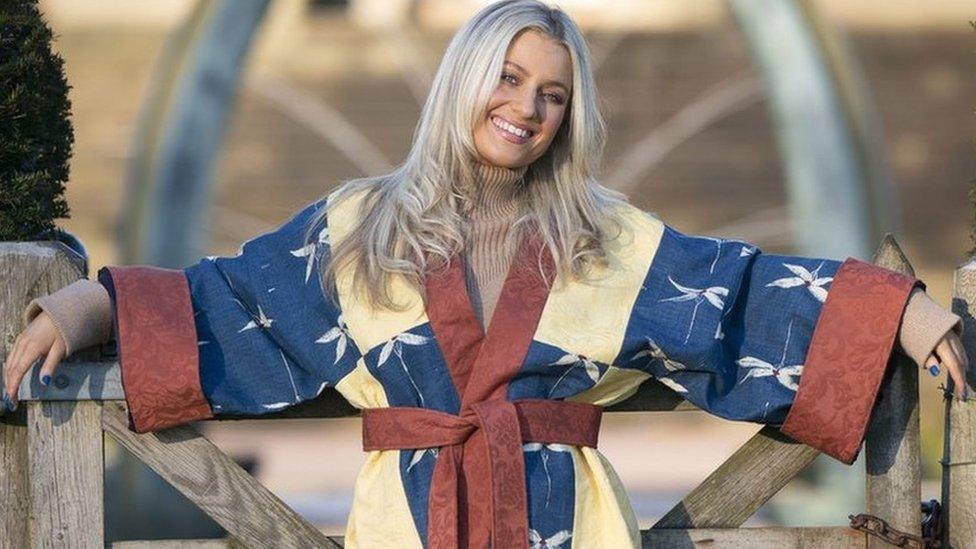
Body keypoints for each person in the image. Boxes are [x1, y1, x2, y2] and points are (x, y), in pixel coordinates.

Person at [3, 1, 969, 547]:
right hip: (405, 528)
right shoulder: (359, 226)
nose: (527, 108)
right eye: (508, 78)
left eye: (553, 93)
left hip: (573, 529)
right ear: (465, 80)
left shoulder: (606, 235)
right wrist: (88, 304)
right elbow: (226, 302)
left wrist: (900, 315)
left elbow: (741, 299)